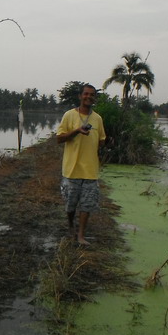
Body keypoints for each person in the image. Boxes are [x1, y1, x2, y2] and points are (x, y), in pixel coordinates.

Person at [56, 83, 106, 245]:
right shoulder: (69, 115)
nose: (88, 97)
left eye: (92, 95)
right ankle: (71, 226)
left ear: (94, 98)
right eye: (86, 94)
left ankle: (81, 235)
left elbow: (101, 141)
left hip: (90, 170)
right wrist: (77, 131)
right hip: (71, 169)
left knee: (87, 204)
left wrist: (106, 145)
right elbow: (59, 138)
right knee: (71, 205)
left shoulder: (97, 119)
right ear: (80, 96)